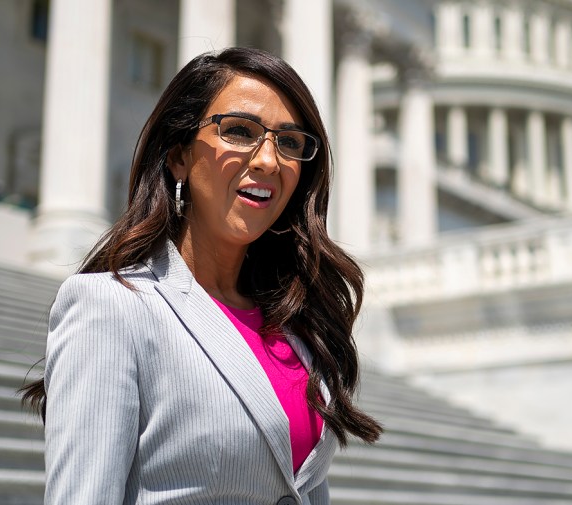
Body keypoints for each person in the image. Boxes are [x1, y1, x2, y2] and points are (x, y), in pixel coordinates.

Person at [20, 47, 382, 505]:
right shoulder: (111, 307)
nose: (269, 160)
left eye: (289, 142)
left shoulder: (297, 328)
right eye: (238, 131)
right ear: (178, 157)